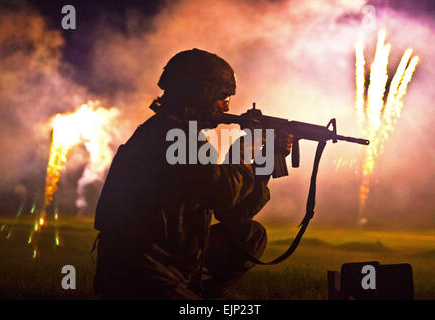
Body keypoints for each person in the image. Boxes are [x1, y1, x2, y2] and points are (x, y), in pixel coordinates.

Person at [93, 48, 293, 299]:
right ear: (200, 93)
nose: (226, 106)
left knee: (250, 235)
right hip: (140, 273)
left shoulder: (173, 133)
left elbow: (231, 204)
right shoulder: (176, 138)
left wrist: (260, 155)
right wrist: (254, 148)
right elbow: (229, 199)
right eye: (222, 96)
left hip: (159, 263)